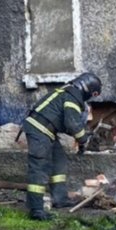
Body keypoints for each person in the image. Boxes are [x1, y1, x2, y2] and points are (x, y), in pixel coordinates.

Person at [21, 72, 102, 221]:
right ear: (89, 90)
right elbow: (72, 125)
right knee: (39, 168)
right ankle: (37, 210)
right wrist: (84, 139)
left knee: (59, 161)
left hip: (47, 131)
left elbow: (65, 123)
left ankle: (60, 199)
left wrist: (82, 135)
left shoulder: (69, 92)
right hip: (39, 129)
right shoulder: (72, 98)